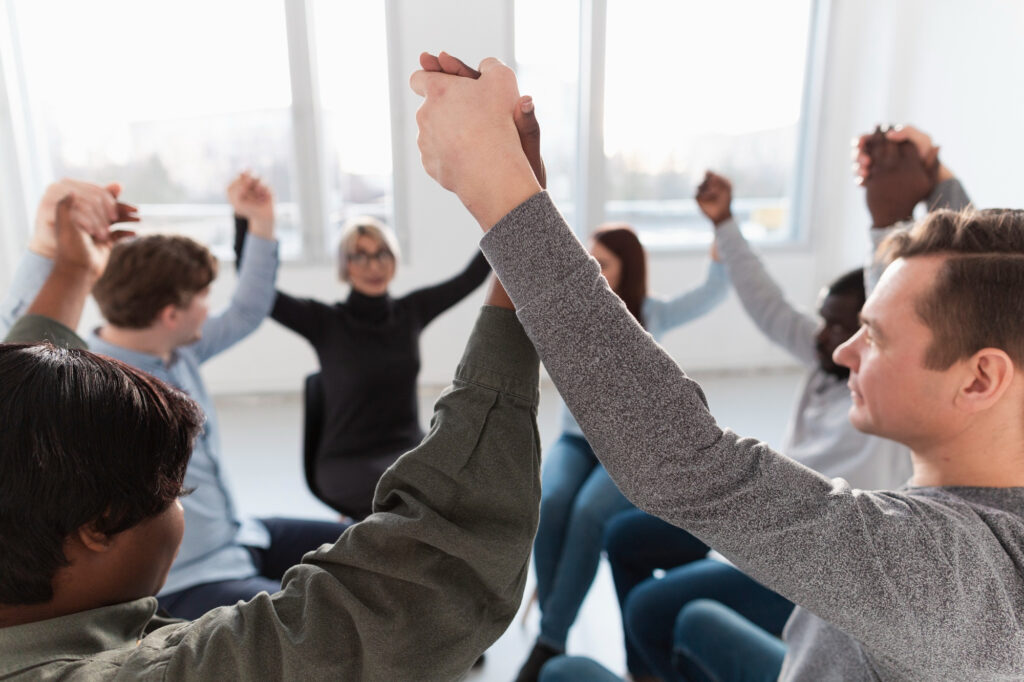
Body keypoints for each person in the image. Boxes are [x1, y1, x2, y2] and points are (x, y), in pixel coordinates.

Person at [411, 54, 1024, 681]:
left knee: (564, 676)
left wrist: (503, 197)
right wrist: (931, 179)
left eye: (874, 336)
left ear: (980, 379)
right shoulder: (970, 532)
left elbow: (683, 461)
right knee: (671, 616)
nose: (843, 352)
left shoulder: (947, 573)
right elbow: (996, 288)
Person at [0, 188, 545, 679]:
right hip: (215, 570)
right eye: (170, 490)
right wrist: (520, 231)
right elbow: (426, 592)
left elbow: (18, 399)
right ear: (99, 526)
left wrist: (72, 268)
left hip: (243, 536)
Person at [597, 135, 973, 681]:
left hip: (818, 558)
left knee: (655, 611)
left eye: (854, 329)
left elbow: (955, 284)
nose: (831, 341)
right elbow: (763, 299)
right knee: (624, 538)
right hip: (775, 512)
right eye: (826, 323)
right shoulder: (824, 350)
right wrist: (724, 224)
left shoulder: (893, 396)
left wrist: (902, 207)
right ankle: (655, 669)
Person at [64, 172, 349, 621]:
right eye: (203, 296)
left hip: (240, 538)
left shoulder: (177, 347)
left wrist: (260, 222)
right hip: (191, 579)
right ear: (170, 313)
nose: (210, 307)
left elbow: (248, 310)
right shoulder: (86, 388)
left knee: (366, 542)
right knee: (318, 621)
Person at [518, 226, 728, 681]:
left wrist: (722, 247)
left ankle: (549, 639)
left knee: (590, 517)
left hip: (627, 449)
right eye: (588, 259)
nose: (591, 269)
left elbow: (712, 295)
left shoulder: (650, 313)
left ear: (626, 269)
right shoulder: (571, 310)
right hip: (576, 440)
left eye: (604, 263)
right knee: (551, 503)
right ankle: (554, 632)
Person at [234, 209, 491, 519]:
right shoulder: (325, 322)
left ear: (394, 260)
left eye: (382, 253)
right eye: (360, 256)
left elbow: (470, 278)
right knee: (411, 505)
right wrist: (244, 218)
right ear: (346, 266)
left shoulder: (411, 312)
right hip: (346, 461)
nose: (373, 266)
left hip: (408, 449)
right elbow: (256, 291)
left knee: (468, 490)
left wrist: (500, 210)